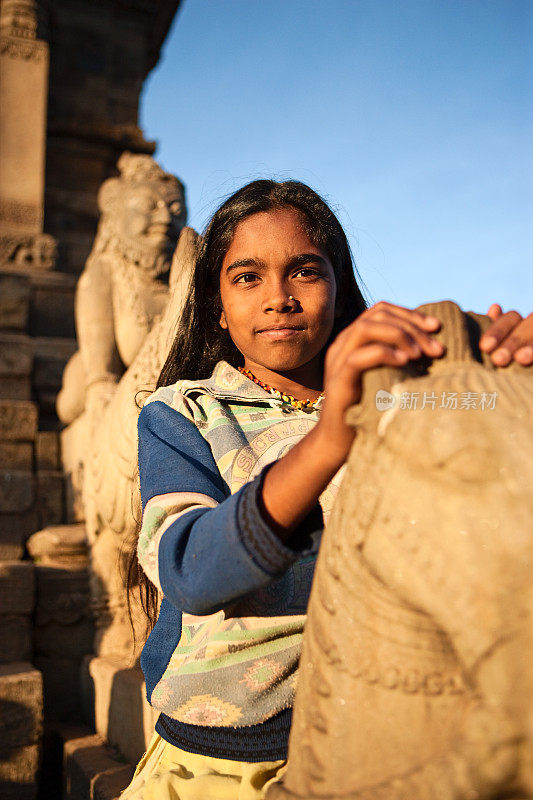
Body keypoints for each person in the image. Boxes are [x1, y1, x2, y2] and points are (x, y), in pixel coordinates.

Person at [121, 179, 533, 800]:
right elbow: (188, 570)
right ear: (215, 302)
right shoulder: (186, 414)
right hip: (226, 757)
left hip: (386, 732)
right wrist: (332, 436)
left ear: (339, 292)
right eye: (247, 277)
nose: (279, 298)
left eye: (305, 272)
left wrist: (502, 372)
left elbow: (480, 447)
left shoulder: (393, 396)